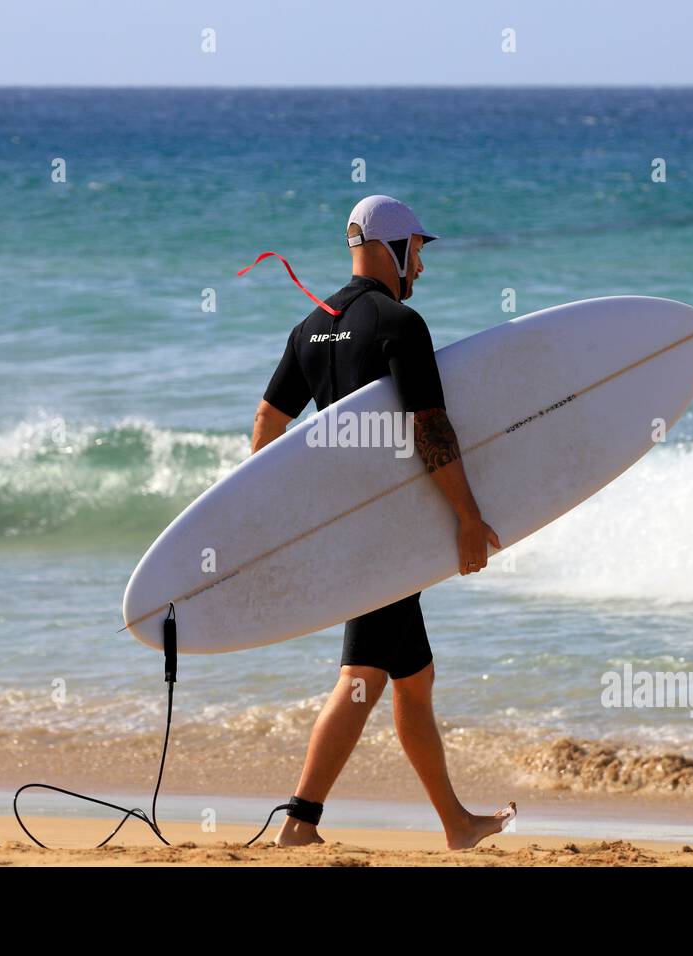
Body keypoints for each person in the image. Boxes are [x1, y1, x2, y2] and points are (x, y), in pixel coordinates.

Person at [249, 195, 516, 850]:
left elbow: (268, 422)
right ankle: (299, 822)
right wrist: (467, 515)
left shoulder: (311, 328)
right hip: (387, 539)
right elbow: (431, 428)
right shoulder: (401, 324)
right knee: (362, 680)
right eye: (417, 254)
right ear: (393, 248)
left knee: (412, 680)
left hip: (348, 532)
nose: (419, 269)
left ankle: (455, 822)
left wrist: (274, 514)